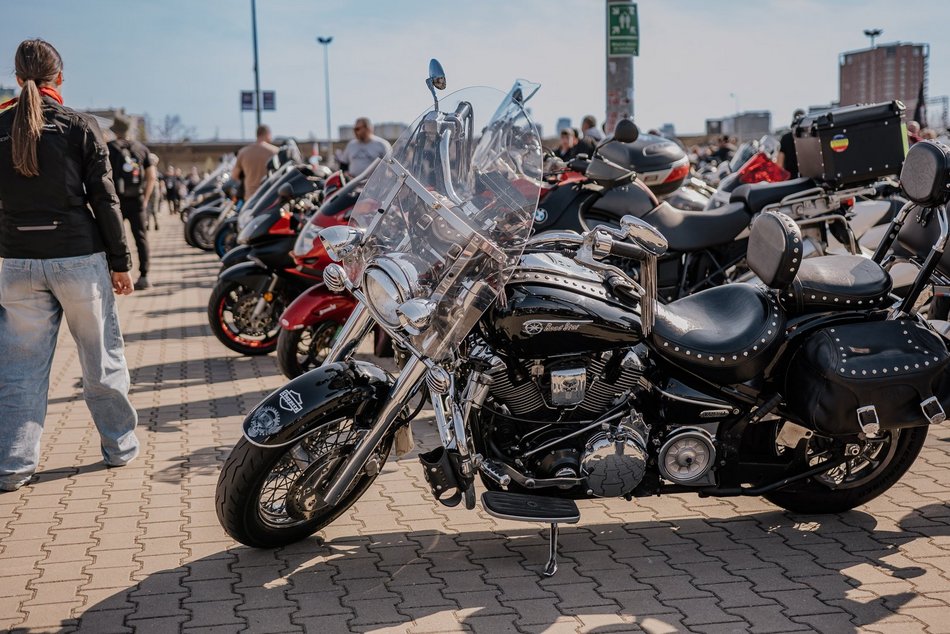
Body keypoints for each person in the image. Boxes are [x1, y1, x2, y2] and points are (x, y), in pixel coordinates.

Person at [0, 39, 139, 491]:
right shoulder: (80, 126)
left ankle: (14, 466)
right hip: (78, 259)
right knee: (101, 359)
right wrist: (120, 262)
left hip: (17, 261)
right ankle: (119, 448)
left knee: (20, 371)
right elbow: (106, 198)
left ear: (17, 79)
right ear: (59, 78)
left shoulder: (0, 125)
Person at [108, 114, 157, 290]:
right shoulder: (142, 149)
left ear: (115, 131)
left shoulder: (109, 148)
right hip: (137, 201)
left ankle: (112, 274)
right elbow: (151, 176)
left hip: (116, 202)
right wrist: (145, 200)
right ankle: (144, 276)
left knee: (112, 238)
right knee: (141, 239)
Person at [232, 124, 278, 199]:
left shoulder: (243, 152)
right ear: (268, 134)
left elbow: (234, 176)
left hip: (250, 197)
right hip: (268, 197)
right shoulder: (275, 151)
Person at [777, 109, 806, 178]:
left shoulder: (785, 138)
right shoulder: (809, 137)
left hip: (791, 180)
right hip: (808, 179)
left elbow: (779, 165)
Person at [146, 152, 161, 231]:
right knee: (153, 207)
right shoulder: (154, 169)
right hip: (153, 188)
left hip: (149, 188)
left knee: (149, 207)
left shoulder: (148, 168)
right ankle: (154, 223)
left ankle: (149, 223)